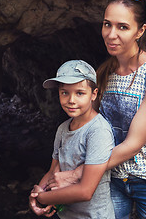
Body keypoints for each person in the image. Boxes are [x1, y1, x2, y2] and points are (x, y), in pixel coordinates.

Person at [44, 0, 146, 219]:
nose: (111, 34)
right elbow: (87, 128)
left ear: (140, 31)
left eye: (122, 27)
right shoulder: (103, 73)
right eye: (107, 24)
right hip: (113, 178)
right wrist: (51, 185)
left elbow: (133, 144)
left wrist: (76, 175)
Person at [29, 60, 115, 218]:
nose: (71, 100)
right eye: (64, 93)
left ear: (94, 94)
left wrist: (44, 197)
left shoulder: (98, 131)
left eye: (80, 93)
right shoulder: (63, 129)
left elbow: (85, 191)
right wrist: (37, 193)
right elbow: (53, 171)